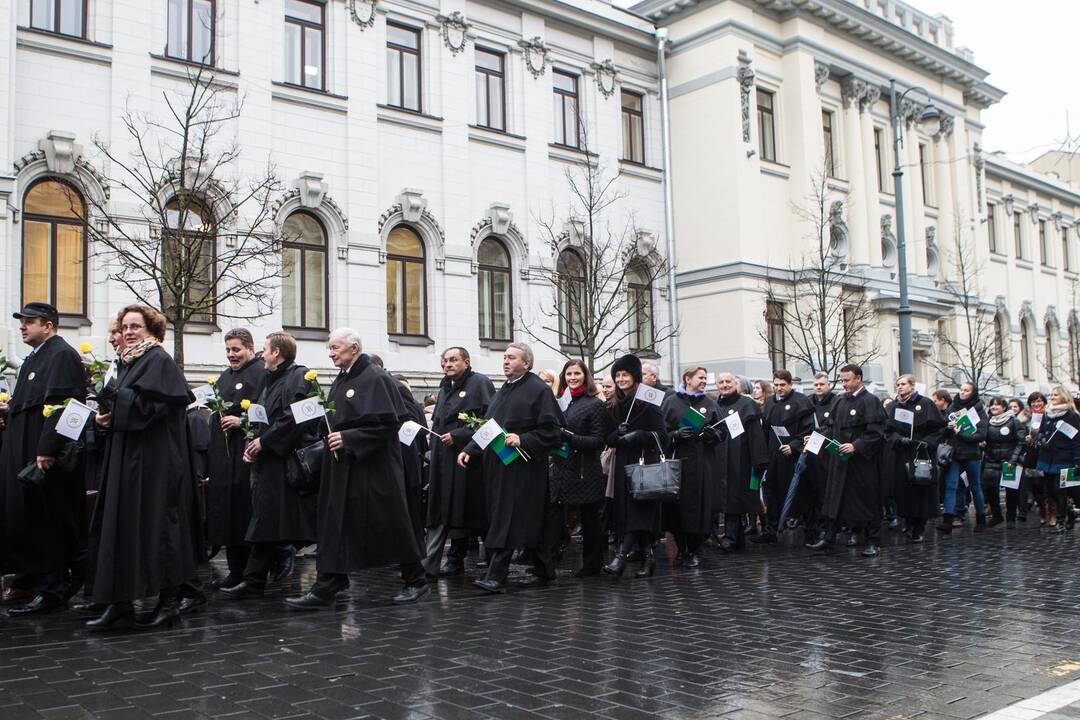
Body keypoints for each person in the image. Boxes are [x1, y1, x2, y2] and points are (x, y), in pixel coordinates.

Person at [287, 329, 430, 608]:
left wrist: (350, 438)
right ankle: (329, 582)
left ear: (354, 348)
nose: (330, 353)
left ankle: (416, 579)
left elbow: (388, 424)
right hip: (343, 467)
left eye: (335, 348)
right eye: (329, 348)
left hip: (373, 470)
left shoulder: (376, 378)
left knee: (391, 523)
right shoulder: (343, 378)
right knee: (335, 523)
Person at [87, 305, 196, 631]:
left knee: (157, 528)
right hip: (127, 457)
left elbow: (153, 407)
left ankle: (168, 604)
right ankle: (119, 603)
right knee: (120, 526)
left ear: (152, 329)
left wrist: (117, 402)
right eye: (126, 326)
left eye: (137, 325)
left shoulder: (158, 360)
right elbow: (126, 403)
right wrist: (104, 416)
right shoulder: (128, 362)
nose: (130, 331)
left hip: (154, 462)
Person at [0, 302, 88, 615]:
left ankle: (52, 589)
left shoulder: (62, 355)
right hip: (24, 452)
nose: (23, 327)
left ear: (48, 325)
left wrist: (49, 449)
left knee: (47, 521)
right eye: (22, 322)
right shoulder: (34, 358)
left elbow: (67, 407)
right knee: (27, 518)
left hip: (42, 458)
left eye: (29, 322)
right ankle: (33, 579)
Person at [220, 332, 319, 600]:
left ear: (276, 352)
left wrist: (265, 442)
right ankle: (255, 579)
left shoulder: (300, 376)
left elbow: (296, 417)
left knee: (273, 518)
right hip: (268, 461)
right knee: (265, 518)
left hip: (285, 461)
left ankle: (266, 571)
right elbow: (259, 413)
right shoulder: (270, 379)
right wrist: (253, 442)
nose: (261, 355)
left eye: (264, 350)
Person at [458, 343, 563, 593]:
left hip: (524, 468)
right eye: (504, 357)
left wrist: (523, 439)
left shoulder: (539, 390)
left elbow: (553, 432)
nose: (505, 361)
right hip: (498, 467)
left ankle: (497, 575)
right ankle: (545, 571)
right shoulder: (503, 389)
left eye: (511, 357)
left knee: (510, 518)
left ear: (526, 364)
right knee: (524, 521)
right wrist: (470, 449)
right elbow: (490, 427)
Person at [422, 347, 495, 577]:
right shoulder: (445, 387)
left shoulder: (479, 383)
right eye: (444, 361)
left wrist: (460, 436)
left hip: (469, 459)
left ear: (466, 361)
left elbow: (488, 420)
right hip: (443, 460)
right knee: (447, 510)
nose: (448, 365)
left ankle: (494, 562)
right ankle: (454, 558)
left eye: (453, 360)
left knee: (473, 509)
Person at [206, 329, 266, 590]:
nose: (231, 355)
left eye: (236, 350)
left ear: (250, 348)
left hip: (244, 452)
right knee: (226, 511)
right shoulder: (225, 375)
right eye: (228, 350)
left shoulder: (260, 373)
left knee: (243, 510)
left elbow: (265, 411)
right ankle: (234, 568)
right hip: (223, 456)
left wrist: (242, 420)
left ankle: (251, 571)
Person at [809, 364, 886, 557]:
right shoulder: (840, 401)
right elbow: (829, 426)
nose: (844, 384)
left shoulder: (870, 401)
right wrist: (815, 437)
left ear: (858, 378)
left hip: (861, 464)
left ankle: (872, 541)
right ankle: (829, 537)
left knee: (866, 500)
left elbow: (876, 433)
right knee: (834, 498)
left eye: (847, 380)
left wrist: (856, 446)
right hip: (839, 461)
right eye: (841, 380)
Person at [603, 354, 665, 577]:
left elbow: (661, 435)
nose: (620, 379)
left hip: (643, 464)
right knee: (631, 512)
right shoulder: (614, 404)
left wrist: (638, 435)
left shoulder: (648, 400)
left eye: (625, 374)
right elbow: (607, 437)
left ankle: (620, 557)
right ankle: (648, 559)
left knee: (638, 512)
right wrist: (616, 435)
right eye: (617, 375)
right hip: (622, 464)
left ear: (635, 376)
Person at [551, 360, 613, 576]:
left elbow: (598, 441)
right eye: (568, 373)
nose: (572, 377)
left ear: (585, 376)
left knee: (589, 521)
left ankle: (592, 564)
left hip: (585, 471)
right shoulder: (562, 402)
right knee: (556, 517)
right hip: (562, 467)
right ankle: (550, 558)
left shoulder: (594, 404)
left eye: (577, 373)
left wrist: (569, 436)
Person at [660, 366, 721, 566]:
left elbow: (722, 430)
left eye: (705, 377)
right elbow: (661, 432)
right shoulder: (671, 401)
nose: (704, 380)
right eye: (700, 377)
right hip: (678, 463)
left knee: (699, 508)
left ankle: (694, 550)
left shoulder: (709, 403)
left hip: (702, 464)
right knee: (677, 509)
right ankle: (681, 547)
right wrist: (674, 436)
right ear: (688, 378)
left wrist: (714, 436)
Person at [880, 374, 945, 544]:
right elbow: (887, 430)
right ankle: (907, 522)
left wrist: (927, 442)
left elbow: (939, 428)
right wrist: (897, 439)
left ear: (912, 385)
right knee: (903, 490)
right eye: (898, 384)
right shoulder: (893, 406)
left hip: (921, 453)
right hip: (902, 453)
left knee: (921, 491)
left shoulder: (925, 404)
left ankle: (919, 527)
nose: (900, 387)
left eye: (903, 384)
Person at [712, 372, 768, 552]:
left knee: (737, 497)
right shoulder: (715, 404)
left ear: (736, 383)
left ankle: (732, 536)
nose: (725, 385)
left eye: (728, 381)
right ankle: (735, 536)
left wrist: (759, 461)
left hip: (741, 459)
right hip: (720, 459)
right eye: (721, 382)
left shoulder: (747, 404)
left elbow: (756, 435)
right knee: (726, 497)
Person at [757, 369, 814, 544]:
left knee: (802, 494)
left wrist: (794, 446)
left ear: (790, 384)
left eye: (783, 385)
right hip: (775, 456)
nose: (779, 389)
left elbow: (808, 430)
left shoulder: (801, 402)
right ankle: (771, 530)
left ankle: (810, 531)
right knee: (773, 493)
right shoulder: (770, 403)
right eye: (776, 385)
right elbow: (766, 430)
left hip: (795, 458)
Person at [936, 382, 988, 535]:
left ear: (972, 393)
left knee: (974, 486)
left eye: (966, 390)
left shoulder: (978, 410)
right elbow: (942, 429)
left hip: (972, 453)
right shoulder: (953, 407)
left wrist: (961, 433)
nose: (963, 392)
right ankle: (948, 520)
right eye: (961, 390)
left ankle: (981, 519)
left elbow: (981, 434)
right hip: (955, 453)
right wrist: (948, 428)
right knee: (951, 485)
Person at [1031, 386, 1080, 534]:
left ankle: (1060, 521)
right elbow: (1040, 432)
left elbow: (1076, 439)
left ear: (1064, 397)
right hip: (1047, 457)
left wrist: (1077, 460)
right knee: (1049, 491)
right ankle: (1070, 511)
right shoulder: (1047, 414)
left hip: (1064, 458)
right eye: (1051, 395)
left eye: (1056, 395)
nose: (1052, 397)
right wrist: (1041, 438)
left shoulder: (1072, 416)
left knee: (1060, 490)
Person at [392, 372, 427, 549]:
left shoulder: (401, 395)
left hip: (407, 459)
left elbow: (418, 428)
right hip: (400, 459)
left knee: (410, 508)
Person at [803, 372, 839, 545]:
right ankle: (813, 526)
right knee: (812, 491)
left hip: (827, 454)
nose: (818, 387)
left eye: (821, 385)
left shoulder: (836, 401)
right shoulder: (808, 401)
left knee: (825, 491)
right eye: (815, 385)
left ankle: (828, 528)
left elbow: (832, 427)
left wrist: (818, 436)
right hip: (810, 453)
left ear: (828, 385)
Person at [982, 396, 1024, 527]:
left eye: (997, 405)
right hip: (991, 460)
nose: (993, 407)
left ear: (1004, 407)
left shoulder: (1014, 421)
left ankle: (1011, 517)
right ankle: (996, 515)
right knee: (990, 489)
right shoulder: (988, 422)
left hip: (1009, 461)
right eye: (992, 405)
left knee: (1011, 490)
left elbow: (1020, 442)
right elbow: (984, 439)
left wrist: (1014, 459)